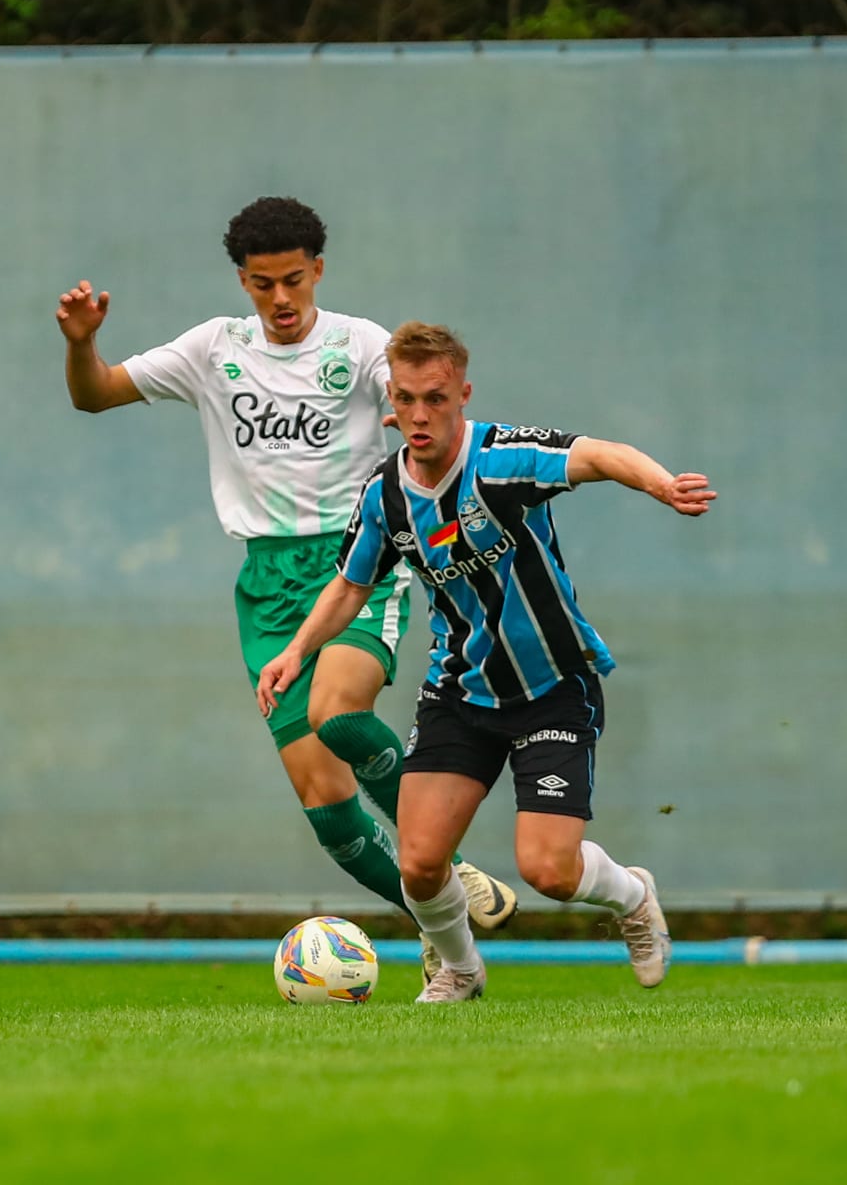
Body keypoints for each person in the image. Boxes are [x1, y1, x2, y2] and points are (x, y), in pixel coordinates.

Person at [57, 199, 516, 952]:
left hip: (356, 560)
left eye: (293, 280)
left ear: (318, 272)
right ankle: (447, 935)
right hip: (266, 582)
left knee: (340, 712)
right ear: (243, 281)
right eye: (263, 283)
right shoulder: (213, 349)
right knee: (325, 800)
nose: (280, 299)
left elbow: (420, 397)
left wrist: (413, 419)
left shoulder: (362, 344)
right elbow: (94, 392)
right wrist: (83, 345)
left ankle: (449, 865)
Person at [257, 322, 715, 1001]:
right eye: (406, 398)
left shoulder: (501, 457)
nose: (420, 414)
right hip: (461, 692)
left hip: (552, 687)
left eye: (435, 398)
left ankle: (634, 895)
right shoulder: (385, 494)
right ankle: (462, 970)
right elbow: (352, 583)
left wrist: (659, 484)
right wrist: (297, 649)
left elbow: (596, 454)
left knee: (549, 870)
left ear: (462, 394)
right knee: (419, 861)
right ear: (391, 400)